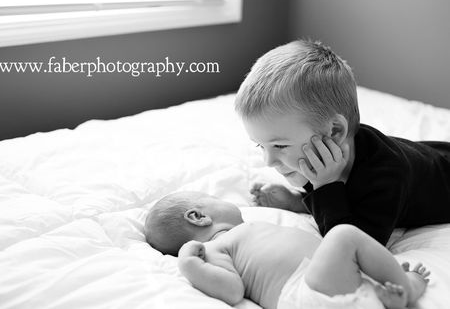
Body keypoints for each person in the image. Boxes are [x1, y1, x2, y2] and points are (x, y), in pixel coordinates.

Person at [234, 39, 450, 246]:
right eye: (260, 146)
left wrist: (325, 188)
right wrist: (298, 200)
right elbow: (346, 201)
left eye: (280, 146)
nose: (268, 161)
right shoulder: (320, 156)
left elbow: (348, 246)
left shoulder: (386, 177)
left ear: (335, 131)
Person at [144, 191, 430, 309]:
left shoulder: (247, 230)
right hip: (304, 292)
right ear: (198, 217)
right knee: (344, 235)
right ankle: (408, 287)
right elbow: (231, 291)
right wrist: (189, 264)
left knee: (346, 246)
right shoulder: (213, 248)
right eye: (211, 198)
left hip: (334, 284)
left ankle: (379, 297)